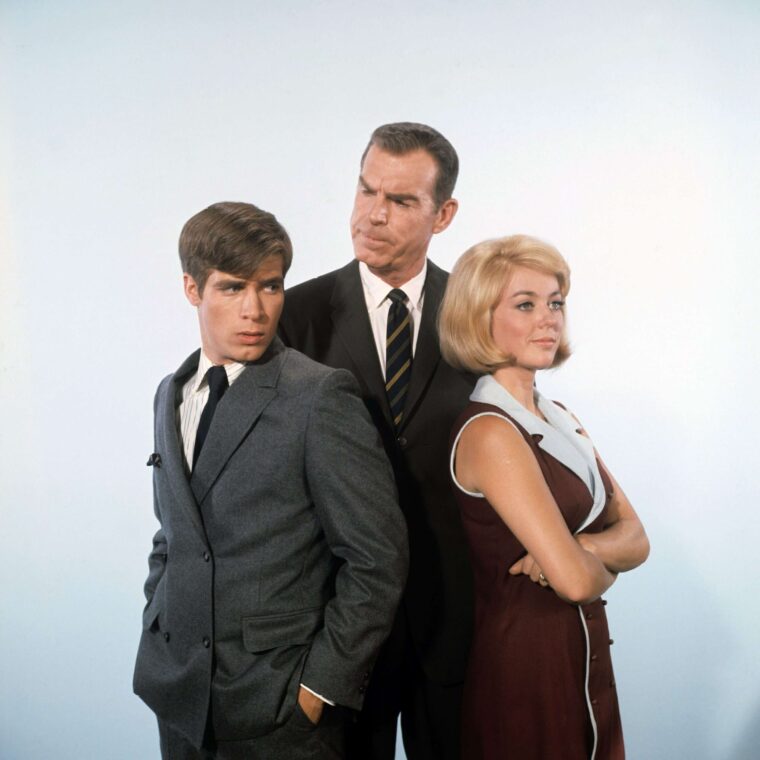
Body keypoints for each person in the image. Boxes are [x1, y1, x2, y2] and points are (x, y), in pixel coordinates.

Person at [133, 201, 408, 760]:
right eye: (233, 289)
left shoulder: (319, 396)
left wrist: (321, 686)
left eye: (271, 286)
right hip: (179, 695)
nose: (256, 310)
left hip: (282, 707)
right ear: (192, 290)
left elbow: (378, 558)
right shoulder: (171, 392)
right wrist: (157, 621)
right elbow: (174, 534)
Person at [278, 123, 476, 760]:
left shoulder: (478, 311)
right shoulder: (292, 316)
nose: (373, 215)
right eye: (367, 191)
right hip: (334, 623)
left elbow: (518, 433)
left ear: (443, 215)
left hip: (453, 616)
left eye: (401, 201)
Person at [439, 234, 650, 760]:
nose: (549, 319)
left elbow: (638, 538)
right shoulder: (489, 431)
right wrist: (588, 560)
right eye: (526, 304)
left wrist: (581, 549)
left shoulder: (559, 415)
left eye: (555, 302)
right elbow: (577, 583)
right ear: (478, 316)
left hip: (582, 659)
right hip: (525, 672)